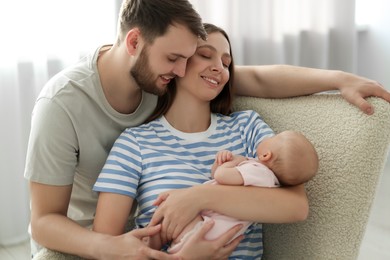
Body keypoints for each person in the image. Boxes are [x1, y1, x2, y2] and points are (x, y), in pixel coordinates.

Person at [23, 0, 390, 258]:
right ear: (136, 44)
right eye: (181, 58)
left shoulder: (238, 122)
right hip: (86, 239)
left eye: (225, 61)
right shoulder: (85, 114)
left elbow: (259, 79)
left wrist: (340, 79)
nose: (211, 67)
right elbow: (57, 225)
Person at [93, 23, 314, 259]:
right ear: (177, 63)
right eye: (206, 55)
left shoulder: (246, 127)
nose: (219, 67)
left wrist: (198, 198)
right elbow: (106, 247)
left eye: (226, 63)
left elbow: (296, 207)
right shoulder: (134, 144)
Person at [167, 130, 319, 254]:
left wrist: (232, 162)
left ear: (266, 155)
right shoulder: (269, 183)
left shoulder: (259, 172)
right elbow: (217, 178)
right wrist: (223, 164)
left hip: (205, 228)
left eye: (273, 137)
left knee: (172, 222)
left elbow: (221, 176)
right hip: (214, 231)